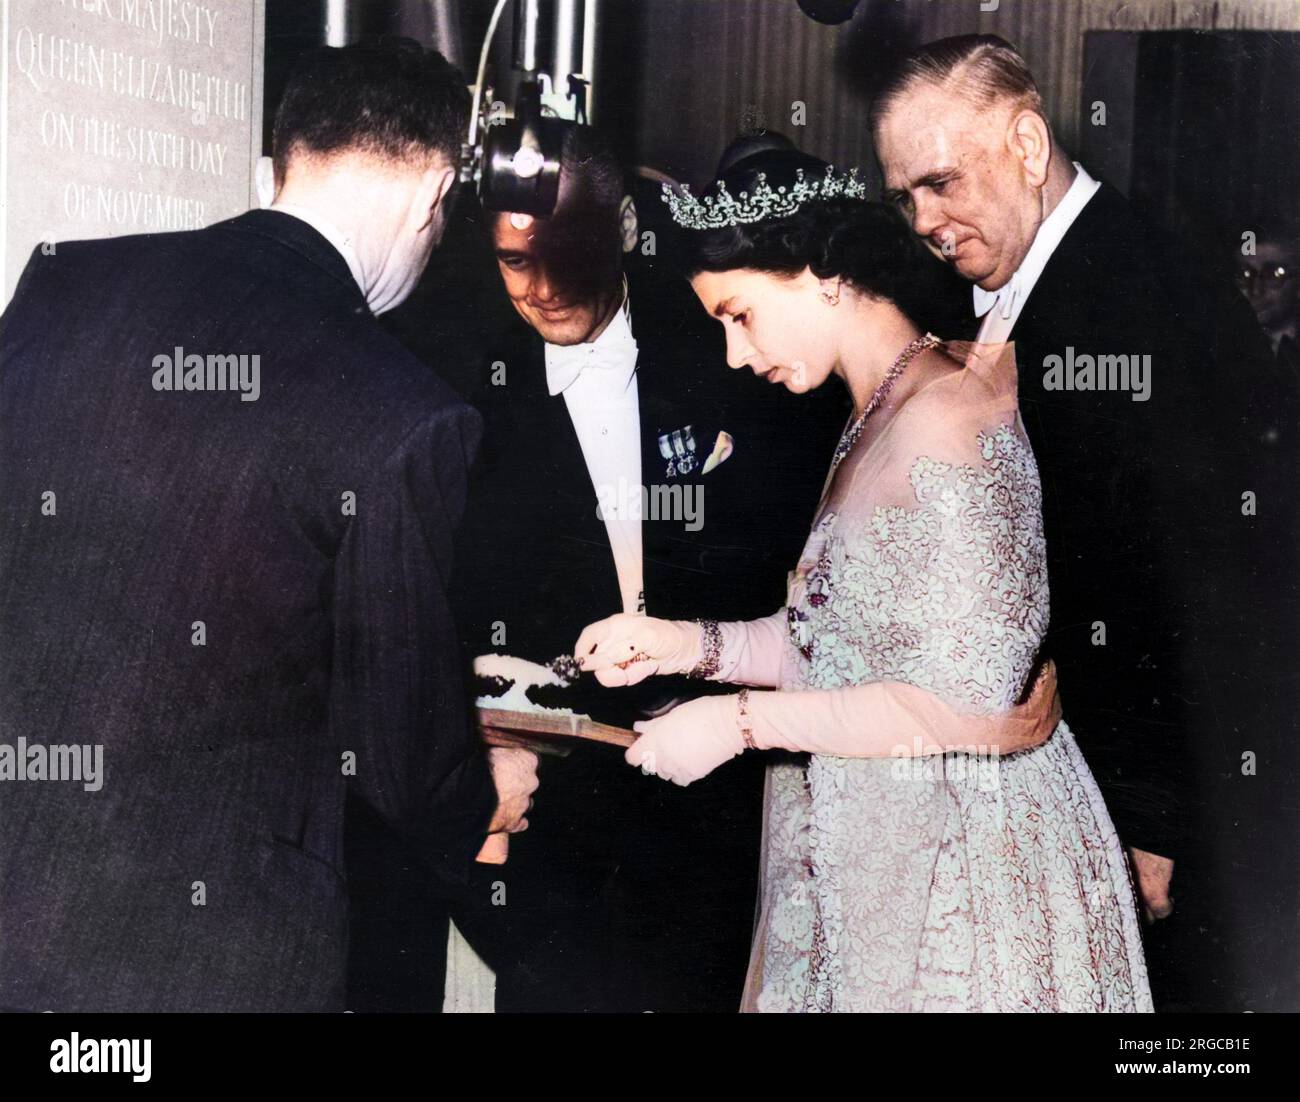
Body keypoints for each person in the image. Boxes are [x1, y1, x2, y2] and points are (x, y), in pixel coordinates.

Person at [0, 37, 536, 1012]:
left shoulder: (59, 283)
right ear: (434, 197)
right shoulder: (402, 413)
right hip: (213, 956)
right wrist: (489, 789)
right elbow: (402, 760)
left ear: (280, 162)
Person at [576, 145, 1151, 1012]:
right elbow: (837, 643)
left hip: (964, 866)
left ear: (821, 275)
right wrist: (683, 646)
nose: (735, 356)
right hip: (870, 840)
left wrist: (737, 724)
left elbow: (971, 701)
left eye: (740, 315)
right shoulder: (875, 410)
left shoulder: (947, 420)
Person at [869, 35, 1299, 1009]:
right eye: (905, 197)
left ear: (1026, 144)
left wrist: (1155, 816)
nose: (925, 221)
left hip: (1137, 800)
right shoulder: (988, 291)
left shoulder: (1140, 294)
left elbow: (1210, 577)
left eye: (939, 183)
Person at [391, 126, 853, 1012]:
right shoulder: (451, 384)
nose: (545, 288)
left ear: (628, 227)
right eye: (515, 263)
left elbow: (802, 551)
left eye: (572, 254)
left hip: (718, 792)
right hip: (551, 816)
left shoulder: (727, 336)